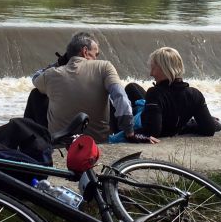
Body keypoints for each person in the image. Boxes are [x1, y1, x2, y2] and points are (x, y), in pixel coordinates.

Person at [30, 32, 158, 144]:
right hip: (97, 140)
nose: (96, 58)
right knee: (109, 94)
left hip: (61, 142)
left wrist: (58, 63)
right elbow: (120, 97)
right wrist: (130, 132)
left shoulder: (51, 74)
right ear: (85, 52)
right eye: (95, 54)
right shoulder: (104, 67)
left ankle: (32, 140)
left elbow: (35, 77)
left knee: (36, 93)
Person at [139, 47, 221, 138]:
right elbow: (209, 129)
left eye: (153, 68)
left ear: (164, 69)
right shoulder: (194, 94)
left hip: (146, 115)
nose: (151, 73)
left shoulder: (155, 94)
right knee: (133, 87)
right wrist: (187, 126)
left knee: (131, 89)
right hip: (176, 120)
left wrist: (131, 134)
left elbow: (152, 133)